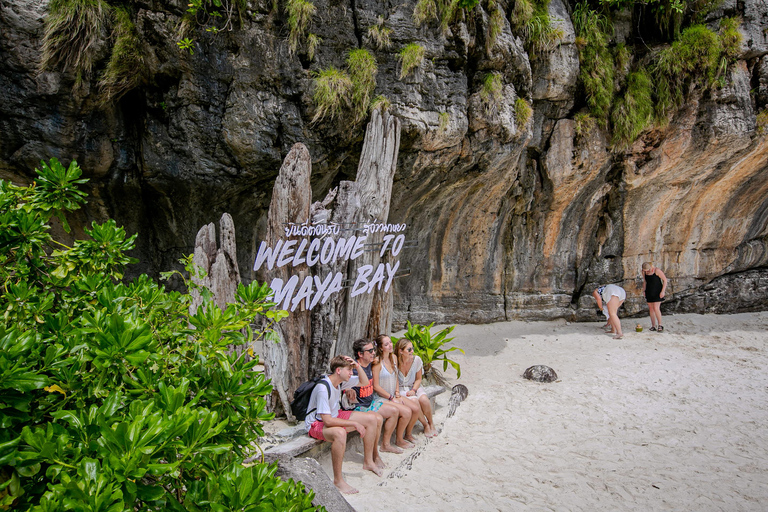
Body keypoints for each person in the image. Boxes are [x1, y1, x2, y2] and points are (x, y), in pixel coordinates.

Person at [304, 355, 384, 494]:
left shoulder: (340, 381)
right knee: (340, 433)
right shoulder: (323, 388)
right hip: (316, 423)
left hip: (335, 414)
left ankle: (368, 462)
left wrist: (357, 366)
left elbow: (364, 382)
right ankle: (338, 480)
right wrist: (354, 423)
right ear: (338, 371)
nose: (351, 373)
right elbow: (327, 421)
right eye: (349, 370)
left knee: (372, 419)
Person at [347, 338, 412, 454]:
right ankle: (374, 454)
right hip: (359, 407)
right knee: (377, 419)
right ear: (360, 354)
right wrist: (347, 389)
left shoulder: (369, 364)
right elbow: (340, 379)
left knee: (394, 411)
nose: (373, 353)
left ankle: (385, 445)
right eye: (370, 351)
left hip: (371, 402)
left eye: (373, 350)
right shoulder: (353, 369)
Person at [371, 334, 421, 445]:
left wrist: (397, 393)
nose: (390, 345)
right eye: (386, 344)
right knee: (407, 412)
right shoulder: (377, 363)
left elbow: (396, 376)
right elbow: (376, 386)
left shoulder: (393, 357)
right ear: (380, 348)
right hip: (382, 397)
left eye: (390, 342)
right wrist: (391, 397)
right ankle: (398, 440)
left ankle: (407, 434)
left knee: (415, 408)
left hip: (393, 394)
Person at [395, 338, 437, 438]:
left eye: (412, 349)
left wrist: (414, 390)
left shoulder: (416, 360)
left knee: (424, 400)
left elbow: (419, 379)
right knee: (415, 401)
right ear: (401, 351)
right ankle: (425, 425)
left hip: (414, 386)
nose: (412, 351)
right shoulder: (395, 362)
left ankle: (431, 423)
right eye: (409, 350)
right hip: (401, 389)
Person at [642, 261, 668, 332]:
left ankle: (660, 325)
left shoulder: (657, 271)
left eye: (647, 270)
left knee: (656, 308)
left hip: (657, 291)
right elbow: (645, 281)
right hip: (649, 291)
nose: (646, 272)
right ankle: (653, 325)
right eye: (644, 271)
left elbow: (665, 280)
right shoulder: (644, 272)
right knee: (651, 309)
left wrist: (663, 291)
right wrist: (644, 290)